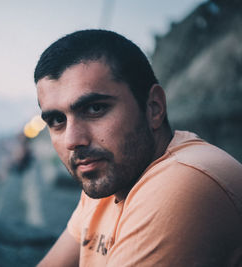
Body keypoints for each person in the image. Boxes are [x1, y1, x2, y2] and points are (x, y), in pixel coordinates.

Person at [34, 29, 242, 267]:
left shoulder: (183, 182)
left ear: (154, 107)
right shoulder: (110, 175)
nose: (73, 141)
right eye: (57, 121)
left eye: (95, 109)